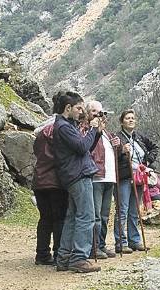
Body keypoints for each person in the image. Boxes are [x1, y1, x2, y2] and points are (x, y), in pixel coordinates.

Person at [52, 91, 102, 273]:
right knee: (87, 216)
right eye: (79, 108)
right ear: (68, 108)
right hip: (78, 175)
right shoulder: (64, 127)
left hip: (74, 175)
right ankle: (79, 258)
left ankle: (64, 257)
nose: (81, 111)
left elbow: (84, 146)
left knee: (73, 217)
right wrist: (92, 130)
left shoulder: (66, 125)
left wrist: (96, 133)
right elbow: (82, 147)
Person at [113, 109, 157, 253]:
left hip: (138, 177)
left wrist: (148, 162)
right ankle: (121, 242)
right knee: (122, 209)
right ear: (122, 122)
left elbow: (154, 147)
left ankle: (134, 240)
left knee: (134, 210)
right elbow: (111, 157)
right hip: (124, 176)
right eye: (127, 118)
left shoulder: (139, 137)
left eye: (132, 118)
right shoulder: (117, 137)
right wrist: (120, 151)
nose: (131, 120)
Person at [32, 113, 68, 265]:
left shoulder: (40, 134)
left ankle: (42, 254)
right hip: (55, 181)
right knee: (59, 218)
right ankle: (59, 252)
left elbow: (36, 152)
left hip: (39, 180)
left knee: (45, 218)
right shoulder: (60, 133)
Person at [85, 100, 118, 259]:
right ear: (87, 114)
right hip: (96, 176)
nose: (98, 115)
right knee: (96, 215)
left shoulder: (106, 132)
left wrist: (118, 146)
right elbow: (86, 148)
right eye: (94, 112)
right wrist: (93, 128)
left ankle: (102, 244)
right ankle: (94, 247)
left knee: (105, 215)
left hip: (109, 177)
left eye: (101, 112)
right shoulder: (87, 129)